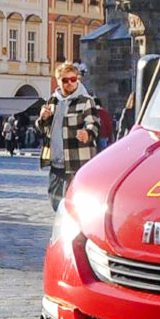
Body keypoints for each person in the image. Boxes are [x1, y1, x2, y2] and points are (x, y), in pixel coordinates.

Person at [43, 60, 100, 209]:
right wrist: (43, 118)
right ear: (58, 82)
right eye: (65, 80)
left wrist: (87, 133)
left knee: (73, 203)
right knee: (55, 202)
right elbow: (43, 129)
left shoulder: (86, 100)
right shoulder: (53, 100)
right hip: (57, 161)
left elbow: (93, 124)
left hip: (77, 161)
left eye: (73, 79)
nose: (70, 83)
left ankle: (74, 230)